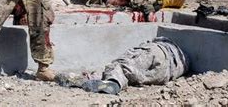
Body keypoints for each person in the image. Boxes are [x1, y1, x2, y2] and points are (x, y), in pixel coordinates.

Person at [57, 37, 189, 95]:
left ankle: (112, 83)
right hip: (165, 75)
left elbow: (147, 51)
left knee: (121, 64)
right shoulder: (185, 60)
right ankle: (91, 80)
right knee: (129, 74)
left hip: (158, 53)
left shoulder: (157, 45)